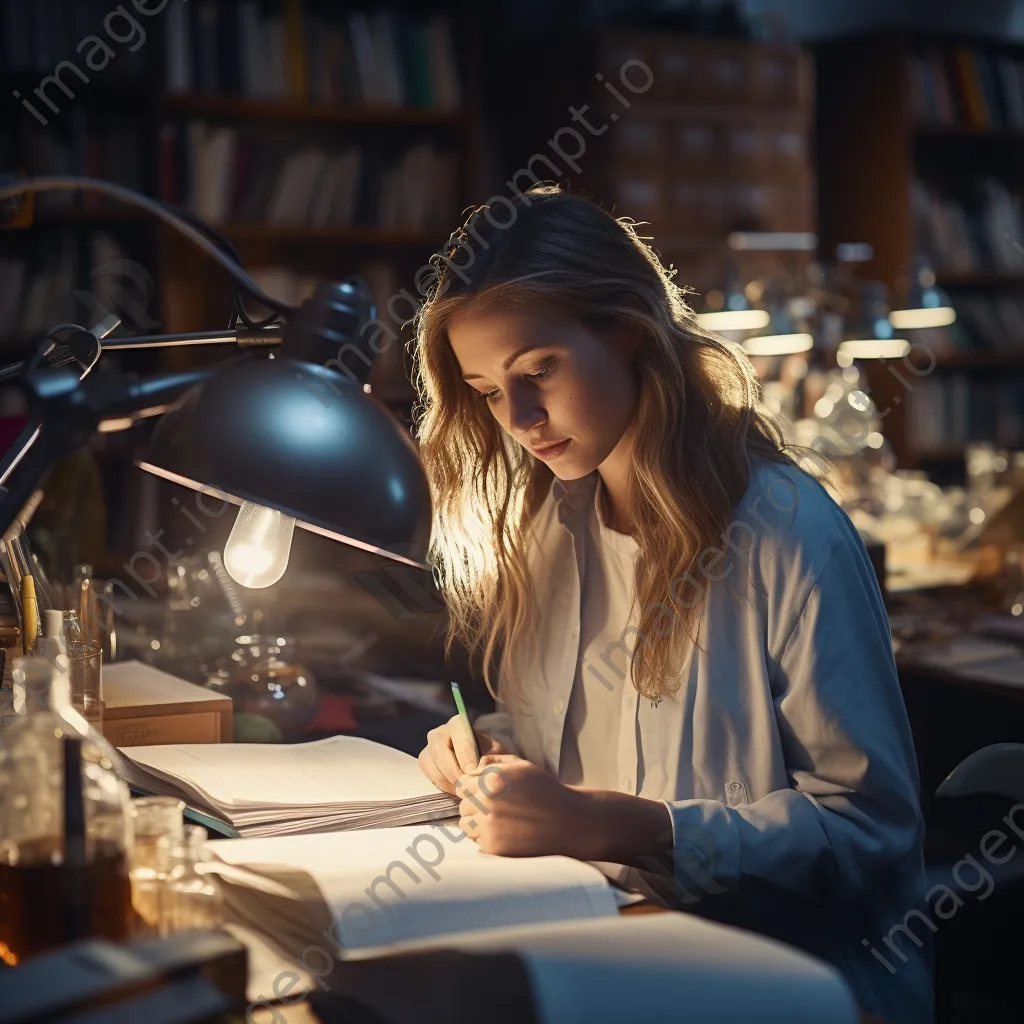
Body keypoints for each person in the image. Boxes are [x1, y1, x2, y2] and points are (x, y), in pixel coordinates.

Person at [412, 184, 933, 1024]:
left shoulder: (785, 530)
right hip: (614, 944)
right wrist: (493, 750)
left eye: (537, 370)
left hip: (790, 983)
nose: (518, 418)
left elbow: (870, 833)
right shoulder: (553, 520)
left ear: (630, 331)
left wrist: (621, 826)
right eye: (484, 390)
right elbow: (585, 736)